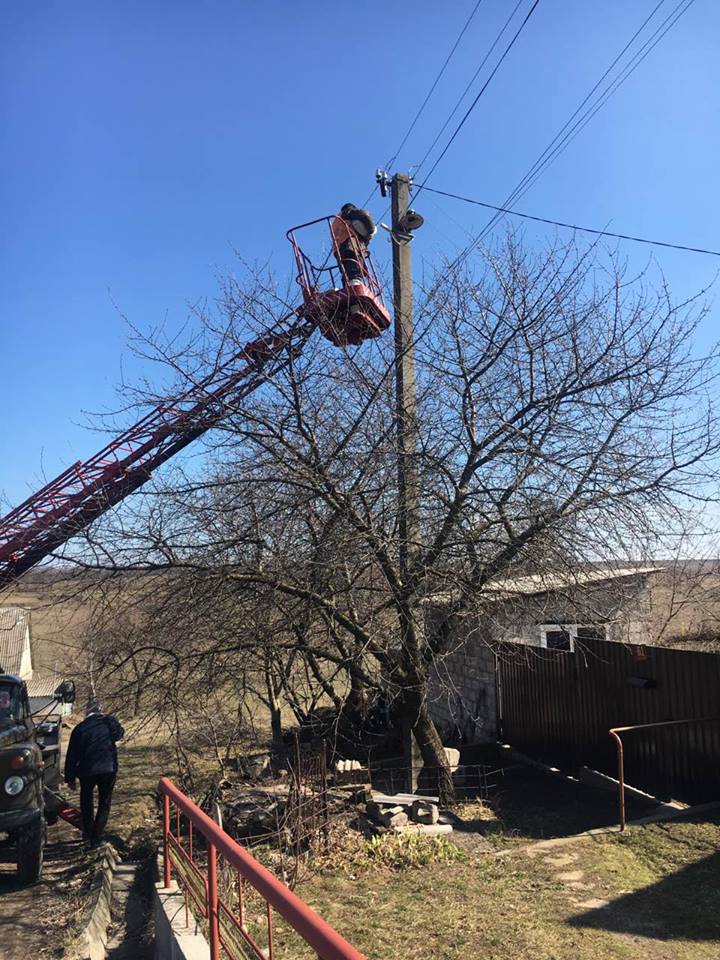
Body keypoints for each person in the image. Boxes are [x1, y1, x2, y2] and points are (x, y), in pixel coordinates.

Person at [64, 700, 124, 845]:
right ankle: (97, 834)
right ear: (100, 710)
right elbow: (119, 734)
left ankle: (88, 831)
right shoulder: (108, 722)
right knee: (105, 801)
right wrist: (113, 720)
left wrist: (70, 778)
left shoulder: (79, 728)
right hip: (108, 768)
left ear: (87, 713)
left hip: (86, 770)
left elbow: (71, 755)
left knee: (86, 800)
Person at [331, 203, 377, 286]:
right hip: (351, 243)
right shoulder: (349, 212)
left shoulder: (335, 222)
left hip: (338, 249)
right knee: (354, 262)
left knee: (345, 267)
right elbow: (363, 216)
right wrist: (370, 231)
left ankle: (347, 284)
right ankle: (355, 281)